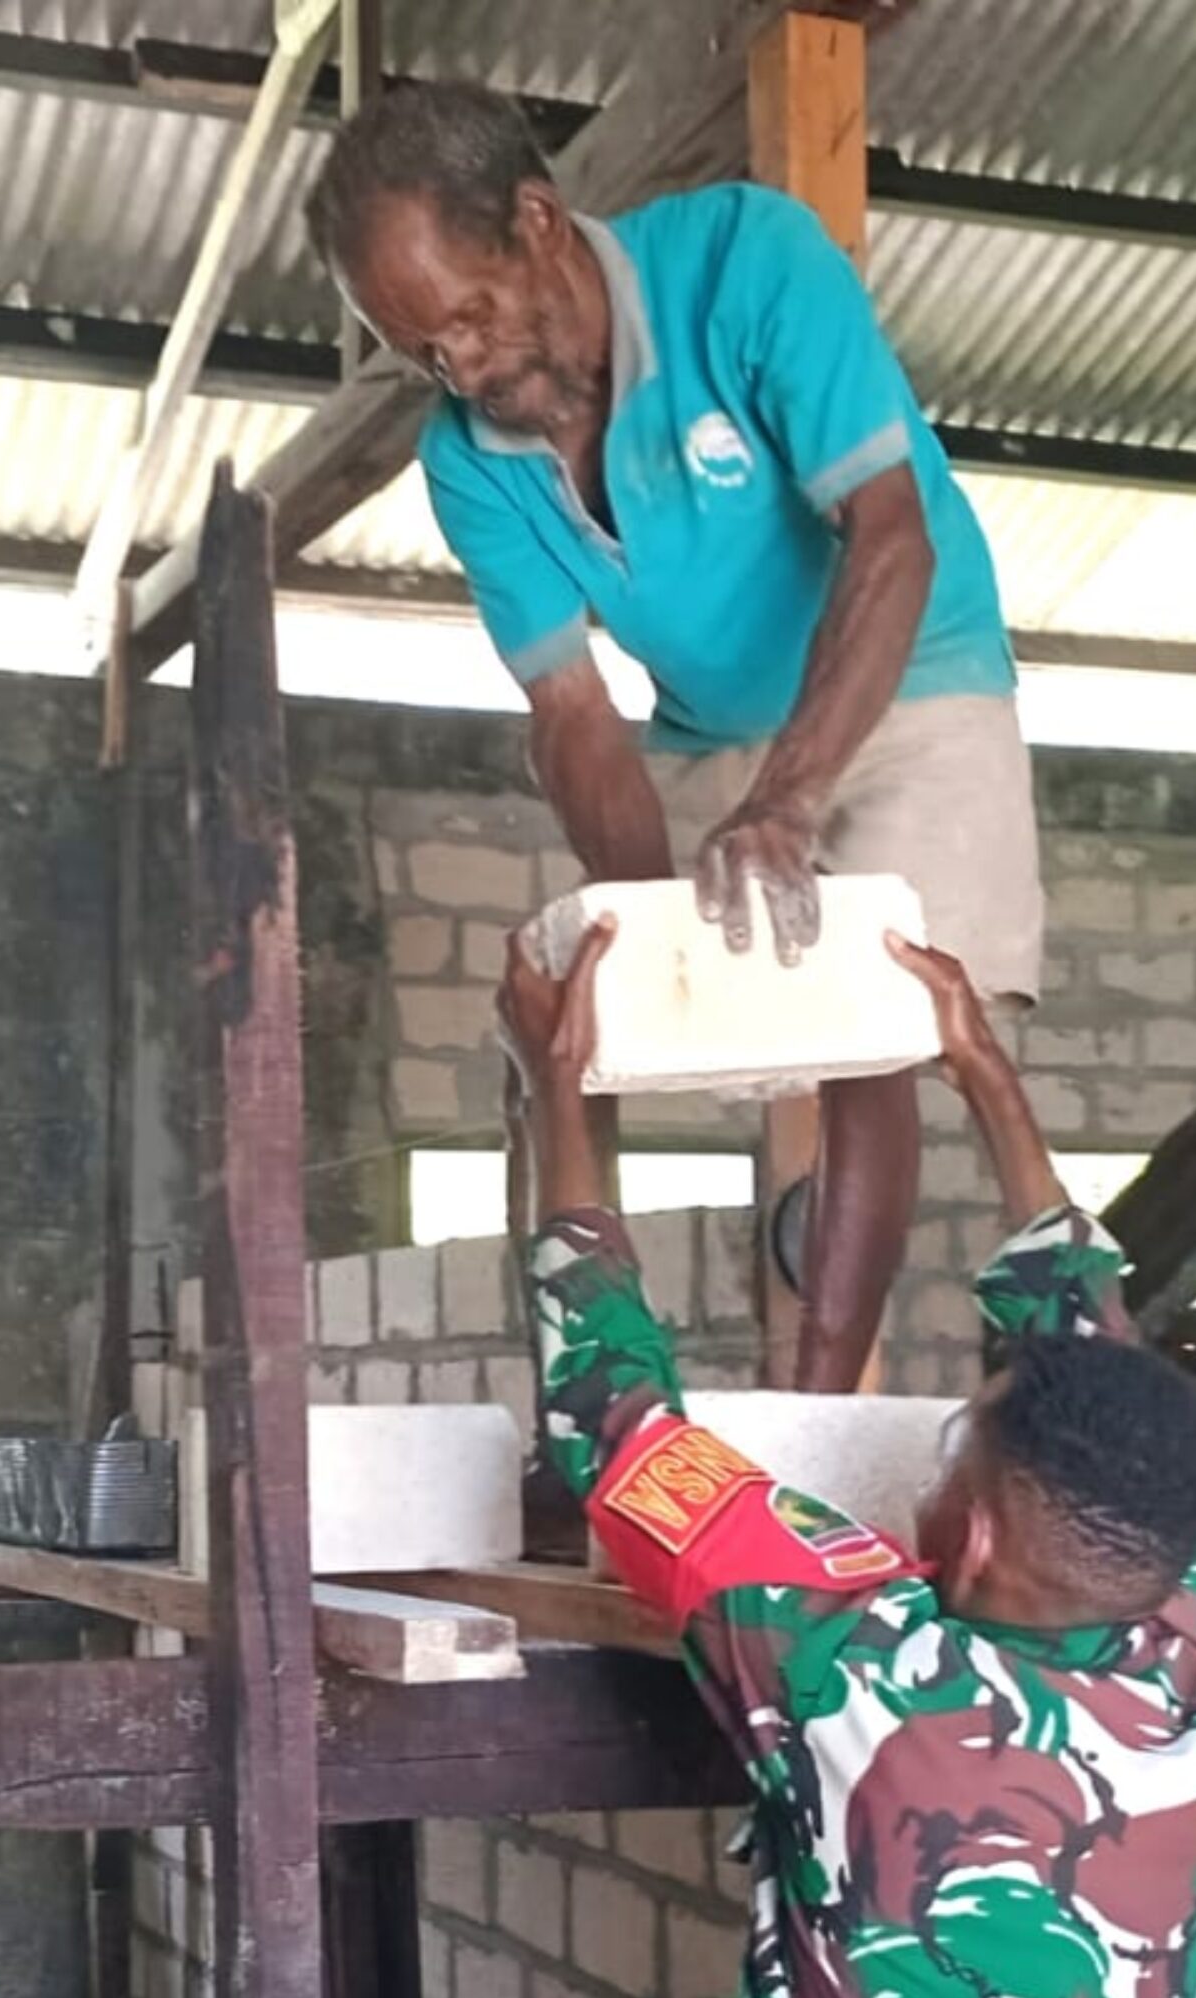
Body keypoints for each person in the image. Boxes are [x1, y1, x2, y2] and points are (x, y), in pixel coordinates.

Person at [499, 912, 1196, 1998]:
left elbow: (613, 1419)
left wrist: (553, 1087)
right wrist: (980, 1075)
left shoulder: (853, 1670)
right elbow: (1099, 1371)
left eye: (947, 1462)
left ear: (962, 1541)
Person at [307, 79, 1040, 1392]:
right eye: (427, 350)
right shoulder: (467, 455)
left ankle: (821, 1392)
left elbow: (891, 535)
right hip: (711, 726)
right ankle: (596, 1388)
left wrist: (793, 802)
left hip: (907, 667)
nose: (461, 368)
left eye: (469, 318)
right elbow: (573, 716)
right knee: (577, 1017)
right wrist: (641, 919)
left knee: (869, 1018)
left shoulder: (748, 263)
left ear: (538, 223)